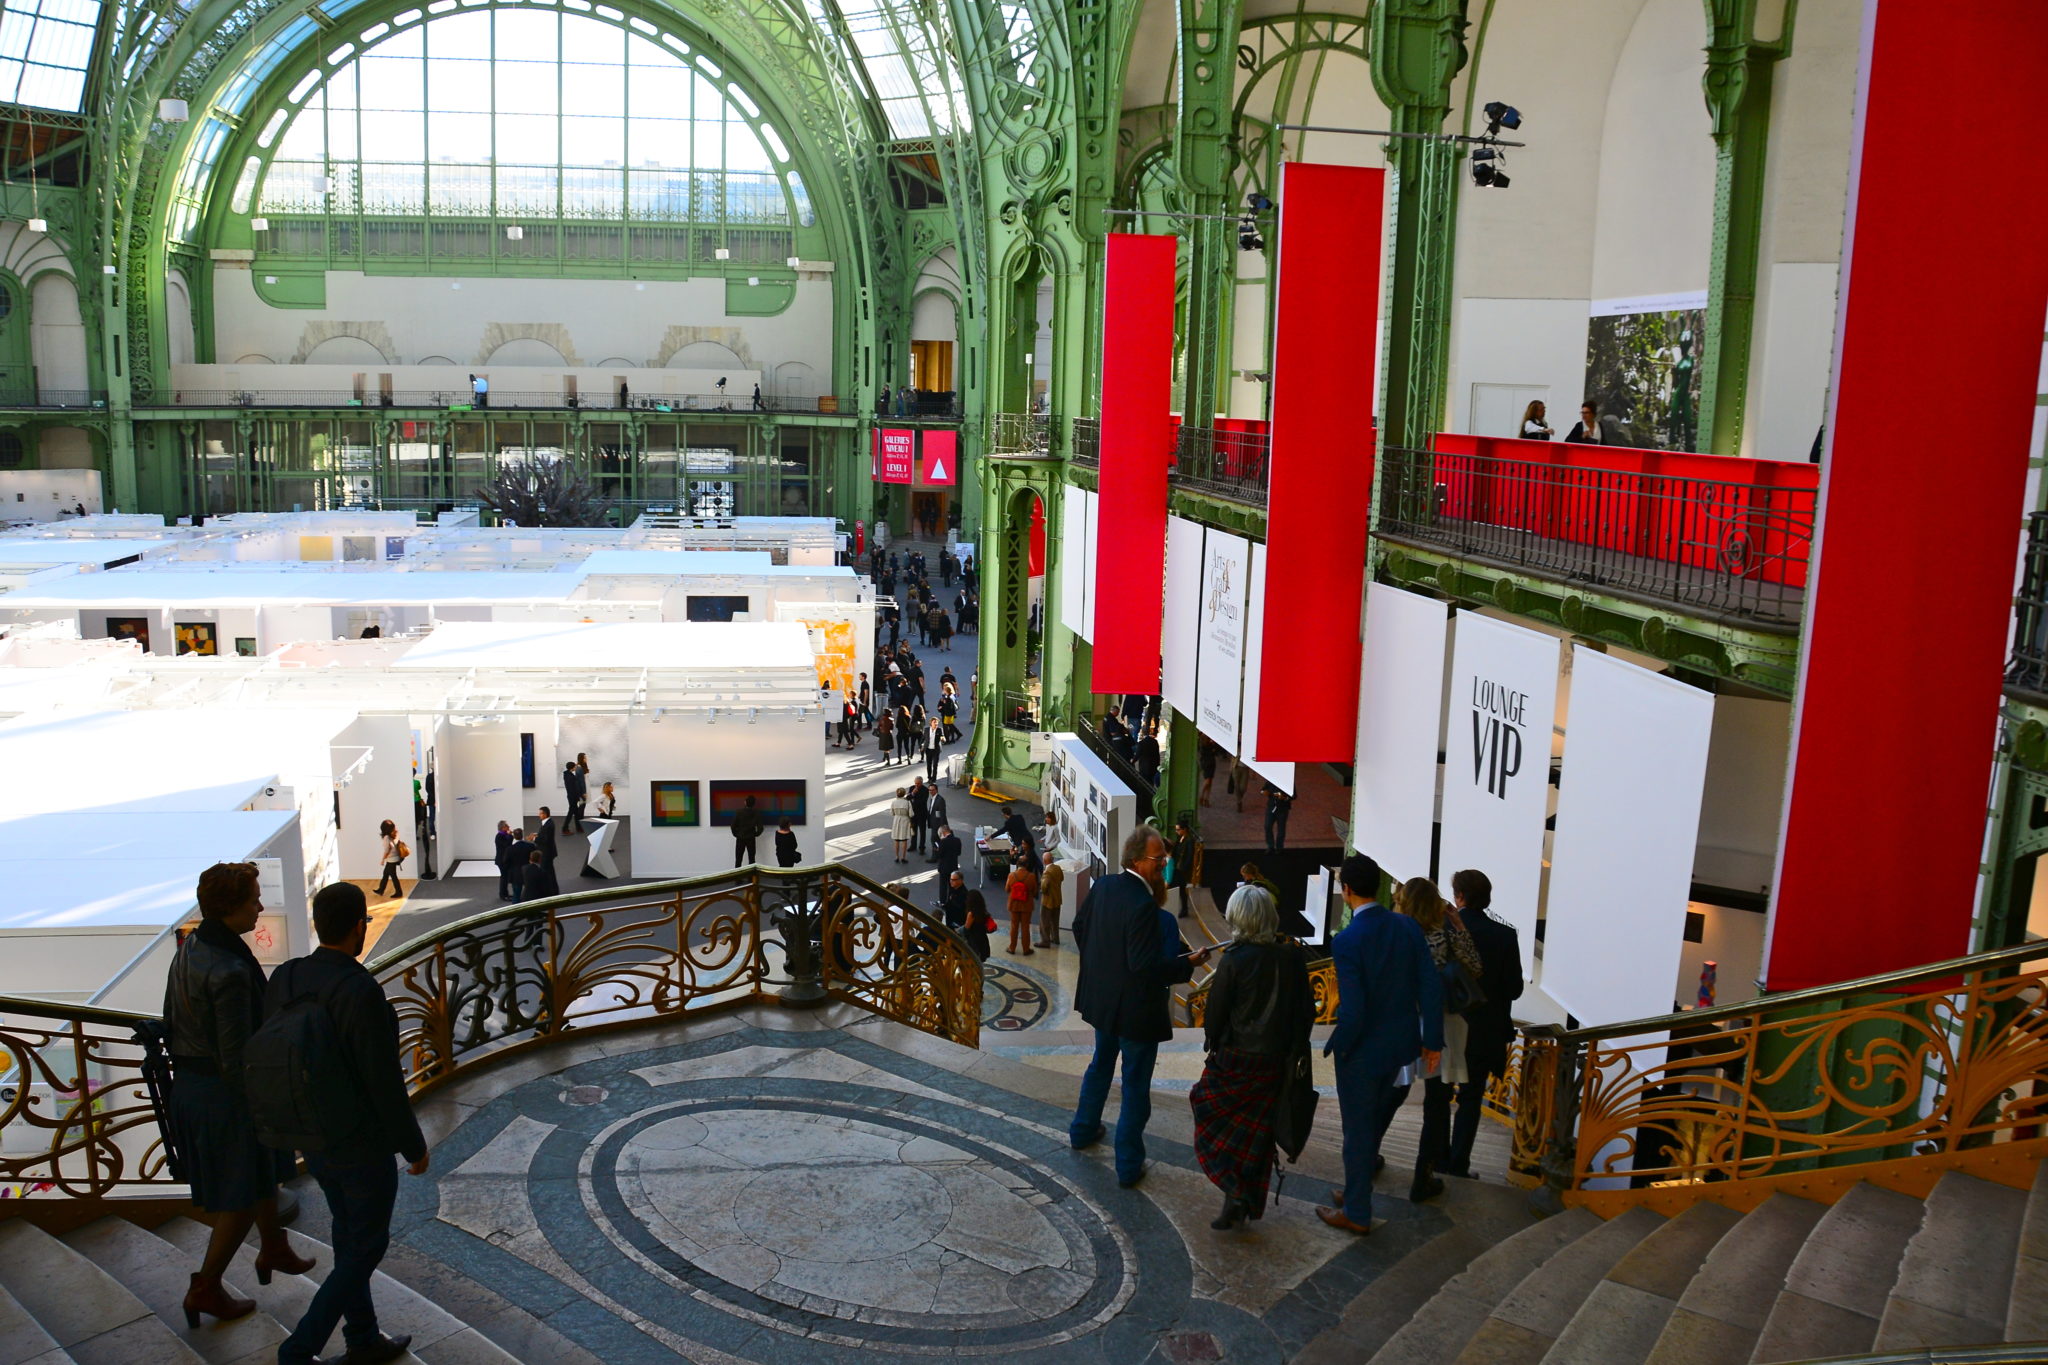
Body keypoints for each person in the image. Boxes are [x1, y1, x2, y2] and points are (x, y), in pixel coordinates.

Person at [271, 882, 429, 1365]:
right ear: (360, 926)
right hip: (358, 1140)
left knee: (348, 1235)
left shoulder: (286, 976)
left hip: (309, 1132)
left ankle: (362, 1337)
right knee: (367, 1245)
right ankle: (299, 1349)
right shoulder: (359, 990)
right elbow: (382, 1080)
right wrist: (413, 1145)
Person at [164, 862, 314, 1330]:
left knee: (256, 1171)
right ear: (230, 907)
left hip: (194, 1087)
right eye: (253, 899)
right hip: (221, 1096)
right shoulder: (229, 969)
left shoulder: (194, 946)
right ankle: (206, 1286)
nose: (260, 907)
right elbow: (235, 1058)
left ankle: (274, 1246)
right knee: (241, 1193)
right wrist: (269, 1099)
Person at [1068, 826, 1211, 1188]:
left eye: (1164, 858)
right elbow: (1145, 966)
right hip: (1135, 1014)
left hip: (1103, 1004)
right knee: (1134, 1085)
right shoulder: (1144, 905)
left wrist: (1102, 969)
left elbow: (1080, 927)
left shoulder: (1104, 886)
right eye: (1157, 858)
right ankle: (1128, 1165)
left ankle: (1082, 1130)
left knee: (1100, 1066)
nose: (1163, 864)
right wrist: (1187, 964)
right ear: (1135, 860)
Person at [1317, 854, 1442, 1235]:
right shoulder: (1407, 926)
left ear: (1347, 890)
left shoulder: (1347, 940)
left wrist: (1339, 1045)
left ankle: (1357, 1211)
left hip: (1363, 1054)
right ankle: (1356, 1188)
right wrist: (1432, 1042)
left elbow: (1353, 1011)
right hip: (1404, 1048)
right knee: (1372, 1125)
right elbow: (1430, 986)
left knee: (1357, 1131)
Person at [1190, 884, 1315, 1230]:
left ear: (1238, 919)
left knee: (1205, 1107)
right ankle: (1241, 1199)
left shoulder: (1234, 959)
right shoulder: (1292, 957)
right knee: (1258, 1136)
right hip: (1275, 1061)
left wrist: (1214, 1041)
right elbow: (1306, 1011)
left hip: (1236, 1059)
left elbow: (1215, 1015)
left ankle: (1233, 1191)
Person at [1393, 876, 1481, 1204]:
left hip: (1403, 1020)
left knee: (1390, 1094)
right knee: (1437, 1101)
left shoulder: (1397, 934)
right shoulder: (1443, 934)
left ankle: (1366, 1159)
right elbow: (1475, 967)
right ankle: (1424, 1174)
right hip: (1443, 1023)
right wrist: (1458, 925)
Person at [1442, 869, 1524, 1179]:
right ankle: (1458, 1164)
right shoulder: (1504, 935)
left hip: (1447, 1026)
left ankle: (1435, 1160)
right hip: (1484, 1032)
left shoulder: (1444, 930)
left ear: (1459, 896)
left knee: (1438, 1097)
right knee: (1471, 1098)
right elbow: (1514, 989)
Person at [1005, 851, 1039, 954]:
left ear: (1017, 864)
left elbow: (1007, 889)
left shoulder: (1011, 875)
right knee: (1025, 927)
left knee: (1014, 926)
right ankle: (1026, 949)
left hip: (1014, 905)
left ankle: (1012, 948)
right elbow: (1035, 891)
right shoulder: (1031, 876)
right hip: (1026, 905)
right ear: (1027, 864)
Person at [1169, 818, 1197, 919]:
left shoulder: (1189, 841)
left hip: (1182, 869)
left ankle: (1184, 909)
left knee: (1180, 888)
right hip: (1176, 867)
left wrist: (1183, 869)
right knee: (1180, 889)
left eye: (1178, 829)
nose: (1176, 831)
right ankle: (1183, 908)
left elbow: (1189, 856)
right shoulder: (1179, 838)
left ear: (1184, 829)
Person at [1038, 857, 1065, 948]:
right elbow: (1062, 878)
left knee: (1045, 921)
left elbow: (1044, 886)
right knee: (1055, 921)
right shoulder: (1058, 868)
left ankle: (1045, 941)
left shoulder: (1047, 872)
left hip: (1048, 901)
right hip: (1057, 898)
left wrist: (1042, 890)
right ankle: (1055, 938)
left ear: (1044, 861)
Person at [730, 795, 765, 867]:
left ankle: (738, 874)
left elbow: (733, 826)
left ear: (745, 802)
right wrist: (755, 834)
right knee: (752, 859)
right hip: (751, 838)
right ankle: (751, 874)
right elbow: (760, 827)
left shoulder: (739, 812)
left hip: (740, 837)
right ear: (754, 803)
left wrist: (736, 834)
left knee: (738, 859)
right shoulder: (756, 813)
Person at [960, 889, 994, 960]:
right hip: (982, 940)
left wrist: (957, 930)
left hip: (973, 942)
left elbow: (966, 928)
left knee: (972, 962)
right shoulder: (983, 912)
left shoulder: (971, 914)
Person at [375, 818, 403, 899]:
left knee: (393, 877)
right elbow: (394, 844)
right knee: (385, 874)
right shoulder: (394, 834)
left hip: (391, 859)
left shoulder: (387, 837)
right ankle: (381, 890)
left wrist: (382, 860)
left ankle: (399, 892)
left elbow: (387, 850)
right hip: (395, 858)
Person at [1263, 781, 1293, 852]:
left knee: (1281, 829)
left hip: (1283, 808)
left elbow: (1293, 796)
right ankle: (1270, 846)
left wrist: (1284, 797)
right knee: (1267, 826)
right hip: (1271, 807)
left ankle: (1279, 847)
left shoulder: (1288, 781)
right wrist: (1265, 792)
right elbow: (1263, 790)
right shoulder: (1270, 781)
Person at [507, 827, 535, 900]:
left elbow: (505, 861)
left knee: (516, 896)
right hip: (528, 872)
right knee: (530, 895)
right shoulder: (530, 846)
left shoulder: (510, 849)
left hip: (515, 875)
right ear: (522, 835)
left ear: (514, 837)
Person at [889, 786, 914, 863]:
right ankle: (903, 857)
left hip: (896, 820)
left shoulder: (894, 802)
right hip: (905, 821)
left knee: (896, 840)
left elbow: (891, 813)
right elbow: (911, 814)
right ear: (904, 794)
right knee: (904, 840)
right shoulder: (907, 802)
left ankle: (897, 857)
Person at [493, 820, 516, 901]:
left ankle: (505, 893)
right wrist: (510, 835)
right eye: (507, 826)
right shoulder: (499, 836)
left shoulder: (504, 835)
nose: (509, 827)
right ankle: (503, 895)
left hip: (505, 860)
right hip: (501, 860)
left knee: (505, 877)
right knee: (504, 878)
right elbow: (506, 845)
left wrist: (510, 835)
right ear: (503, 828)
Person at [534, 806, 558, 883]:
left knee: (546, 871)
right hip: (548, 851)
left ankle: (548, 887)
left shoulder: (548, 825)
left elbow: (545, 840)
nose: (539, 815)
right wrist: (538, 835)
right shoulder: (548, 822)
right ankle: (552, 887)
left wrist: (534, 839)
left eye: (540, 813)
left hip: (546, 853)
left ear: (545, 814)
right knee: (550, 871)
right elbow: (545, 835)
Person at [563, 761, 587, 834]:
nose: (575, 768)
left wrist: (575, 765)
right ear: (572, 768)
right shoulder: (570, 777)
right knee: (570, 813)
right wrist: (580, 796)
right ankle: (565, 829)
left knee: (576, 814)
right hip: (572, 797)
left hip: (572, 797)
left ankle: (578, 828)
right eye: (574, 767)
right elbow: (574, 789)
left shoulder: (567, 774)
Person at [908, 778, 931, 855]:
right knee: (913, 831)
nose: (916, 785)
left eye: (918, 783)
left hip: (922, 814)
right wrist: (913, 794)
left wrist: (913, 800)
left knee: (922, 831)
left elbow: (923, 801)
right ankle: (913, 845)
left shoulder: (925, 790)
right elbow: (907, 798)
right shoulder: (912, 788)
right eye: (915, 783)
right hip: (913, 814)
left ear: (921, 783)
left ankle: (922, 848)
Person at [926, 787, 949, 860]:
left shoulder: (940, 800)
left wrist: (942, 826)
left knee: (934, 840)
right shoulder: (933, 798)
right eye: (930, 790)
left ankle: (934, 857)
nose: (931, 791)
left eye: (932, 790)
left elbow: (942, 814)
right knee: (937, 840)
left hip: (938, 824)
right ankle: (939, 855)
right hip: (934, 823)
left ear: (936, 790)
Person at [924, 716, 945, 782]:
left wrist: (943, 739)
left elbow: (942, 736)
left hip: (936, 750)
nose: (936, 723)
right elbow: (923, 738)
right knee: (929, 765)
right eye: (934, 722)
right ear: (931, 723)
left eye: (937, 722)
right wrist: (921, 745)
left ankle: (934, 779)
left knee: (935, 765)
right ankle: (929, 778)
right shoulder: (927, 729)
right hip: (928, 750)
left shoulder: (939, 729)